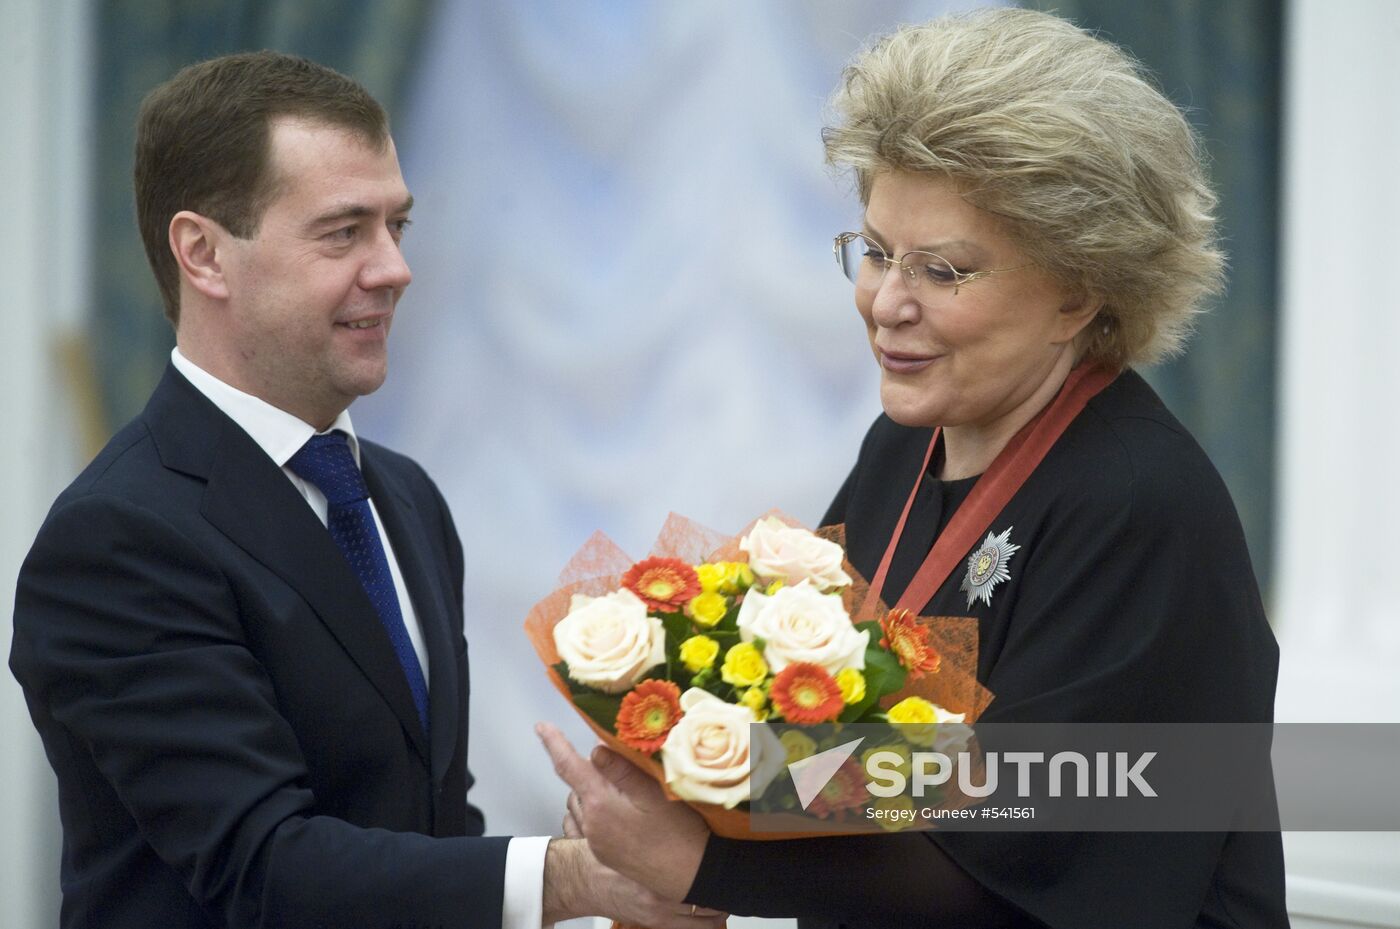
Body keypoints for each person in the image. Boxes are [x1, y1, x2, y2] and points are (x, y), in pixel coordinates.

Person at [538, 9, 1287, 928]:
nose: (887, 303)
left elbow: (1024, 866)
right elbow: (852, 765)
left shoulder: (1138, 505)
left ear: (1076, 292)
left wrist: (706, 865)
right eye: (879, 252)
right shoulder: (905, 442)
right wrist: (689, 787)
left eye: (943, 271)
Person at [9, 51, 723, 929]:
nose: (393, 269)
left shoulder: (403, 498)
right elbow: (264, 868)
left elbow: (425, 829)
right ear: (203, 254)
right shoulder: (118, 537)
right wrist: (568, 879)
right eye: (344, 231)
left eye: (397, 226)